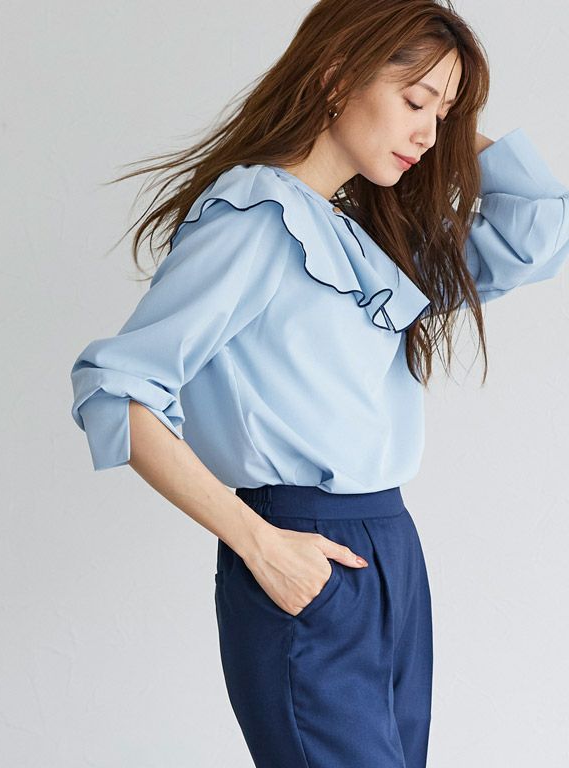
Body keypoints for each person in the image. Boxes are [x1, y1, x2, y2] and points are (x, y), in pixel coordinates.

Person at [69, 1, 569, 766]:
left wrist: (447, 113)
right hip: (305, 548)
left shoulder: (362, 239)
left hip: (390, 549)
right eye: (414, 102)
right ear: (337, 78)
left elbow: (539, 229)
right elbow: (117, 390)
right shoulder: (254, 218)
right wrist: (258, 544)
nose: (429, 135)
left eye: (443, 115)